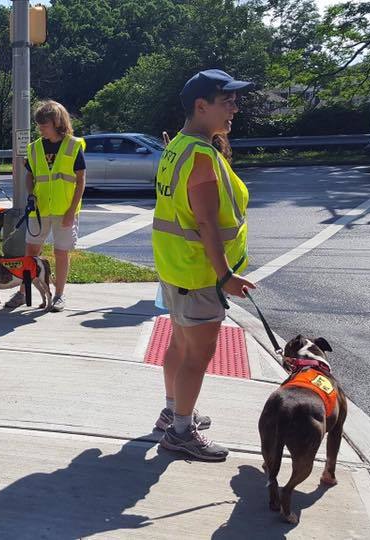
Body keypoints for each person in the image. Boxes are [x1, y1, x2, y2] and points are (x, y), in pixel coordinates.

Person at [152, 69, 257, 461]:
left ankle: (173, 410)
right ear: (201, 106)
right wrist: (225, 275)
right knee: (196, 354)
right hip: (198, 272)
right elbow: (207, 222)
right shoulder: (199, 155)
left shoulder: (179, 146)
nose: (234, 107)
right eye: (226, 100)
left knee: (179, 344)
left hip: (176, 267)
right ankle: (181, 430)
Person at [5, 101, 86, 313]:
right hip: (40, 209)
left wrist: (71, 211)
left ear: (57, 122)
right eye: (39, 125)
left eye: (44, 125)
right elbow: (30, 176)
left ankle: (58, 295)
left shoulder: (73, 145)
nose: (40, 128)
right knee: (31, 251)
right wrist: (31, 195)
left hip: (64, 210)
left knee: (61, 253)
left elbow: (81, 181)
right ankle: (24, 293)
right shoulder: (34, 148)